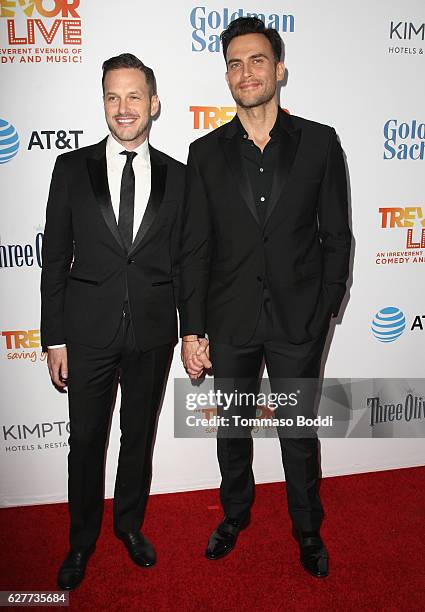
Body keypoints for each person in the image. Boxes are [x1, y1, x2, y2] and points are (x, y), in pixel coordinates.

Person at [180, 17, 351, 578]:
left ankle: (307, 528)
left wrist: (323, 311)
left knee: (298, 436)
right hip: (228, 322)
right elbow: (196, 248)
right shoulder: (204, 153)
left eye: (257, 60)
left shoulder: (320, 142)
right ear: (226, 75)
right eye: (234, 62)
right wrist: (193, 326)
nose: (245, 71)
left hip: (297, 322)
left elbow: (337, 236)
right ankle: (234, 515)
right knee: (232, 432)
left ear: (279, 69)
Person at [41, 53, 184, 590]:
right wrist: (53, 337)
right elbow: (54, 257)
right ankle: (81, 541)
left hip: (151, 333)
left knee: (137, 438)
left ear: (153, 103)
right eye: (111, 96)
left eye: (132, 96)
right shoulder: (71, 169)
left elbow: (187, 262)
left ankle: (128, 526)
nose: (122, 108)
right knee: (85, 441)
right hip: (86, 333)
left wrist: (192, 329)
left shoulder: (179, 176)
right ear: (102, 101)